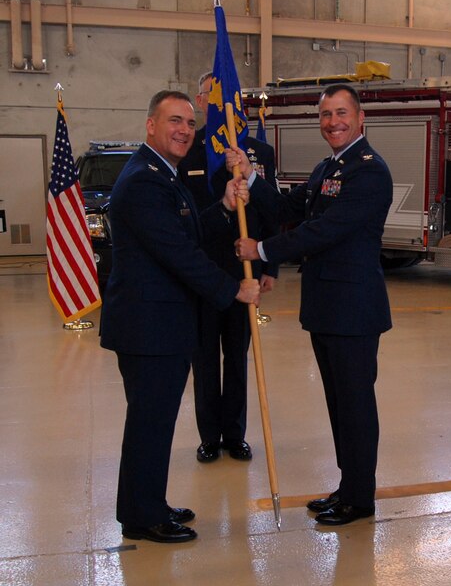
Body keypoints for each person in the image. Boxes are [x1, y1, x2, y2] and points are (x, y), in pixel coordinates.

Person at [100, 90, 260, 544]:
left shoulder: (162, 176)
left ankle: (146, 503)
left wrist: (226, 206)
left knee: (154, 421)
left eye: (189, 123)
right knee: (150, 421)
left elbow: (187, 230)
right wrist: (233, 290)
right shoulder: (143, 181)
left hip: (162, 325)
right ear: (151, 125)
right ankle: (143, 516)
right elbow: (179, 254)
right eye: (174, 121)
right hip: (149, 328)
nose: (184, 130)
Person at [232, 83, 393, 526]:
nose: (333, 122)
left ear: (360, 119)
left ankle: (360, 500)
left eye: (341, 113)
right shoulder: (329, 167)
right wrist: (249, 176)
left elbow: (324, 230)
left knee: (356, 406)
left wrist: (261, 251)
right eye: (325, 115)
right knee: (339, 405)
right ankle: (347, 487)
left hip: (354, 310)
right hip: (327, 307)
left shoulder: (369, 171)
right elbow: (290, 205)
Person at [179, 71, 279, 464]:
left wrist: (273, 264)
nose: (220, 104)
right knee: (204, 360)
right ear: (202, 102)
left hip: (245, 271)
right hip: (202, 272)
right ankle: (209, 435)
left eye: (228, 98)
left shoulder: (256, 152)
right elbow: (185, 218)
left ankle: (235, 434)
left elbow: (271, 211)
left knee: (237, 358)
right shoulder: (188, 150)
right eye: (212, 97)